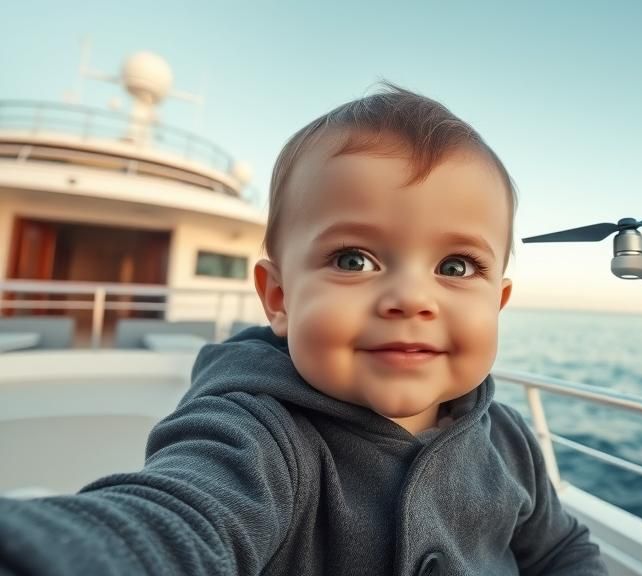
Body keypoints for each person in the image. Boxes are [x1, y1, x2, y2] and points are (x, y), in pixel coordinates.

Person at [0, 84, 607, 576]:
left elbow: (560, 549)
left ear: (498, 303)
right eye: (353, 260)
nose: (411, 299)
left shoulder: (508, 440)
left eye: (455, 267)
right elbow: (175, 524)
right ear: (280, 298)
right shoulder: (258, 436)